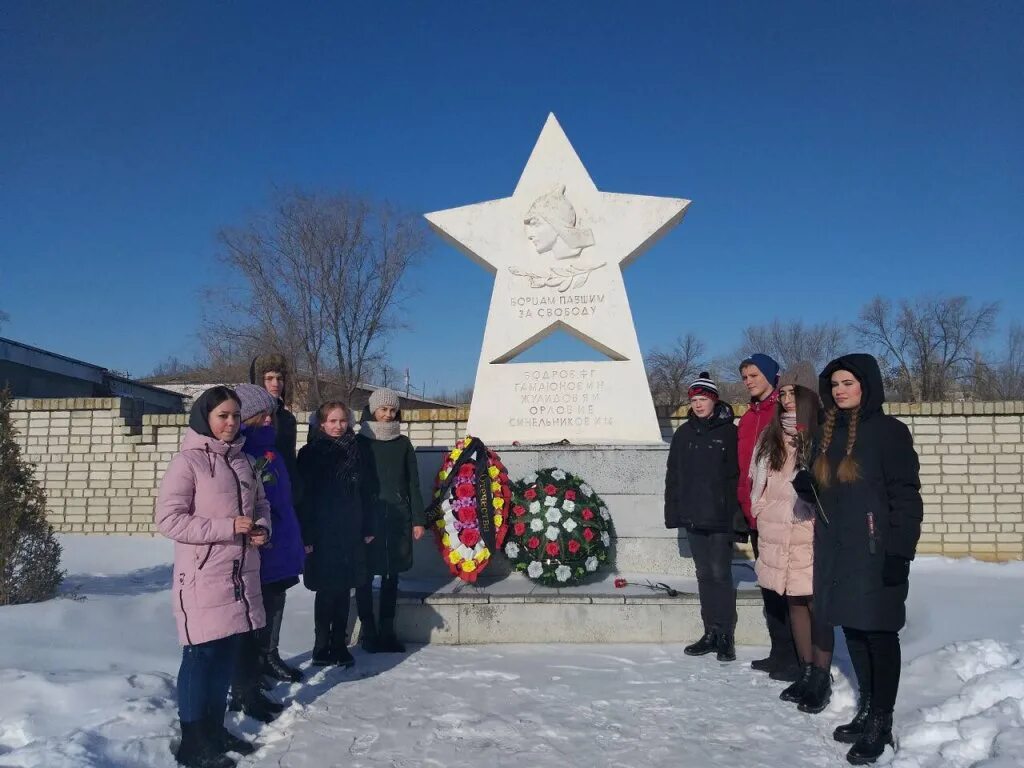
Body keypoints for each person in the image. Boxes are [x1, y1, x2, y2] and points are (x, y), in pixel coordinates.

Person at [812, 354, 922, 765]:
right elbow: (835, 497)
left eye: (848, 383)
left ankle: (882, 720)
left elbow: (906, 496)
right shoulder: (829, 433)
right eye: (835, 384)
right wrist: (811, 490)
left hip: (878, 551)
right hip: (841, 551)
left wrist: (900, 552)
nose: (840, 390)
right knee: (855, 633)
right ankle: (867, 710)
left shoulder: (889, 432)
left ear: (867, 385)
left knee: (879, 634)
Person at [155, 387, 271, 768]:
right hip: (203, 576)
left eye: (236, 416)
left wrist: (261, 529)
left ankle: (214, 728)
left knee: (224, 655)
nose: (231, 423)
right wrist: (226, 527)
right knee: (200, 655)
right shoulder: (187, 462)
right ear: (206, 416)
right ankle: (193, 740)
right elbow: (169, 520)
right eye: (223, 415)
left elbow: (260, 504)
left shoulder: (244, 461)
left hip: (238, 576)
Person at [749, 364, 833, 712]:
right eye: (782, 393)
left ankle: (822, 677)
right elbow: (759, 477)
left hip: (808, 530)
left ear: (808, 396)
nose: (784, 399)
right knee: (793, 601)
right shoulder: (771, 436)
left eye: (792, 393)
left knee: (816, 603)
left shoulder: (823, 434)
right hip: (776, 529)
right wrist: (761, 507)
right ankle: (806, 670)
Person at [228, 385, 305, 724]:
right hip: (258, 544)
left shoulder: (271, 450)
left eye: (271, 414)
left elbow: (283, 499)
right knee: (252, 613)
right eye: (263, 414)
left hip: (279, 538)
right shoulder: (243, 453)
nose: (269, 419)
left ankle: (263, 662)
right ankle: (246, 680)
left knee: (273, 600)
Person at [664, 372, 743, 662]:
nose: (698, 405)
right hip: (694, 515)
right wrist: (674, 512)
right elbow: (674, 476)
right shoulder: (684, 434)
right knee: (704, 575)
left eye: (703, 399)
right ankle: (709, 632)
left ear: (714, 400)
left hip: (720, 517)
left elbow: (737, 476)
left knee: (721, 575)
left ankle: (725, 637)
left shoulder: (730, 433)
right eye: (694, 400)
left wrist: (738, 518)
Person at [297, 401, 375, 666]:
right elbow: (304, 497)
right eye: (332, 421)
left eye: (342, 421)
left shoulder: (358, 451)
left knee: (343, 589)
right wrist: (306, 535)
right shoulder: (309, 453)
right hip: (321, 532)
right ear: (322, 424)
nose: (338, 426)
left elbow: (367, 492)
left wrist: (368, 526)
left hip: (349, 529)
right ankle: (321, 645)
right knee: (325, 590)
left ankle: (339, 644)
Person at [737, 353, 798, 681]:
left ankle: (798, 656)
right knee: (770, 586)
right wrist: (743, 505)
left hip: (784, 516)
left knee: (789, 589)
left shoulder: (783, 410)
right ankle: (779, 652)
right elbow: (742, 469)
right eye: (745, 376)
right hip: (755, 514)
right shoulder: (747, 418)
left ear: (772, 375)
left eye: (754, 374)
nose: (748, 380)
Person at [355, 388, 425, 653]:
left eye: (392, 410)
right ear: (373, 410)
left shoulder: (403, 443)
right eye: (383, 409)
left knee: (391, 576)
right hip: (368, 519)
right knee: (364, 575)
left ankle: (388, 630)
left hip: (397, 518)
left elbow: (412, 483)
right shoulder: (360, 442)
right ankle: (368, 631)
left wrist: (418, 519)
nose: (387, 415)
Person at [249, 353, 299, 498]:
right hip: (255, 491)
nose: (276, 384)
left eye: (280, 378)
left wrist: (296, 487)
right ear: (259, 381)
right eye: (269, 378)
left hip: (284, 490)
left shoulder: (288, 418)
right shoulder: (247, 415)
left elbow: (289, 457)